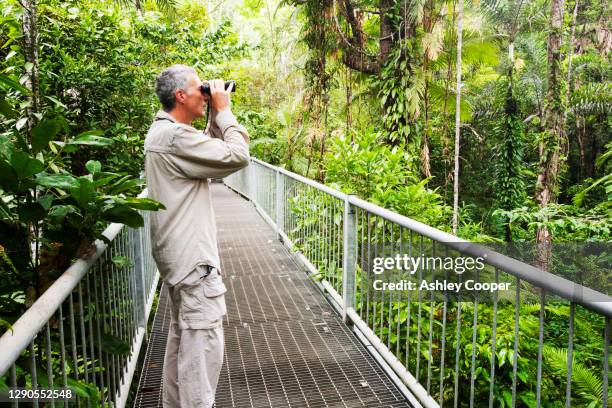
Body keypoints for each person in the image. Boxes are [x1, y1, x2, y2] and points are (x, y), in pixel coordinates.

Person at [144, 64, 250, 408]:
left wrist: (211, 118)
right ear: (180, 96)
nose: (204, 96)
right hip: (194, 264)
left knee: (182, 347)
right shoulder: (174, 137)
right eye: (198, 90)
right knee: (200, 356)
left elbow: (205, 154)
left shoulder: (164, 133)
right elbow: (236, 156)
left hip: (179, 261)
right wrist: (225, 112)